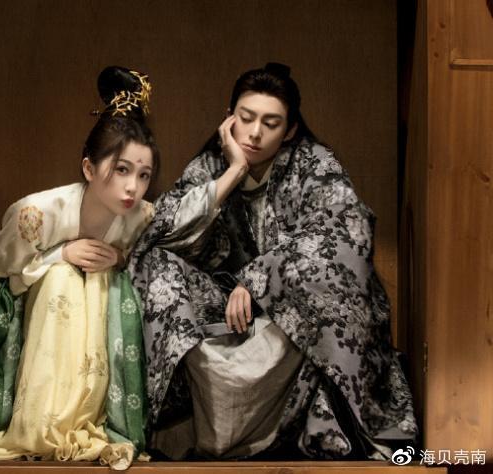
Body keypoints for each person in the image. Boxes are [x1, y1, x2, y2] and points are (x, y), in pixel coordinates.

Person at [127, 63, 418, 461]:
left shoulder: (314, 164)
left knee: (333, 266)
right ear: (228, 119)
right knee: (155, 264)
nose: (254, 132)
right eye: (245, 118)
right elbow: (160, 232)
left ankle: (311, 428)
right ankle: (187, 427)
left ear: (291, 129)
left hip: (289, 321)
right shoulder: (210, 167)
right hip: (223, 314)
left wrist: (257, 279)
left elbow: (350, 233)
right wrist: (234, 171)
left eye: (271, 123)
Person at [0, 66, 157, 470]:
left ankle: (92, 417)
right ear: (89, 169)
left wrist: (117, 259)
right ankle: (43, 423)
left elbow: (145, 265)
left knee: (104, 278)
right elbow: (5, 273)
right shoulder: (36, 213)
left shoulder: (142, 217)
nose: (133, 187)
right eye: (121, 170)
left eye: (144, 175)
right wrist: (60, 255)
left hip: (100, 315)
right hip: (34, 306)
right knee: (63, 279)